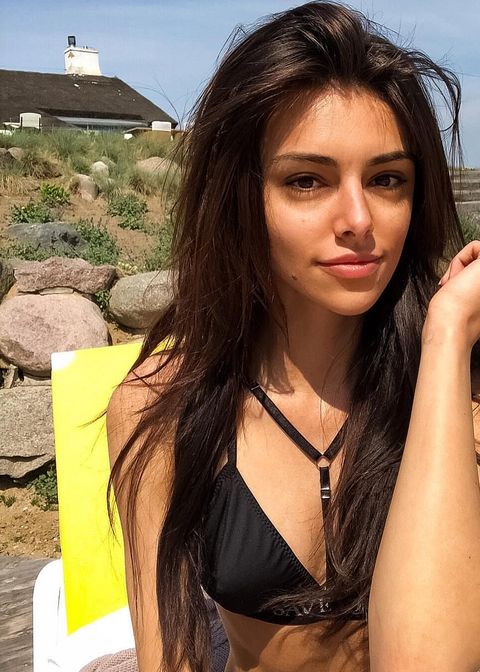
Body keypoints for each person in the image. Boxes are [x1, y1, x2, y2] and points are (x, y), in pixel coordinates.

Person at [104, 2, 480, 671]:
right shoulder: (162, 407)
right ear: (241, 199)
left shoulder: (460, 385)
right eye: (307, 180)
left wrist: (448, 337)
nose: (359, 218)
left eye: (387, 179)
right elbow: (170, 658)